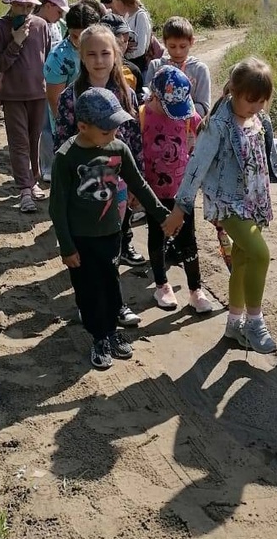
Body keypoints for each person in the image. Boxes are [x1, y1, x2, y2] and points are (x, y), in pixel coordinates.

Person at [164, 58, 277, 354]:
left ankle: (233, 324)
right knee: (260, 254)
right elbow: (196, 168)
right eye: (250, 101)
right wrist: (180, 209)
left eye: (261, 102)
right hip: (228, 204)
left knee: (243, 260)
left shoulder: (259, 120)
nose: (255, 107)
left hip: (253, 200)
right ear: (232, 90)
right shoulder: (217, 126)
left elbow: (266, 148)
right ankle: (255, 323)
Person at [49, 87, 171, 371]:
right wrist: (66, 247)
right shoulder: (67, 157)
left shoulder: (118, 148)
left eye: (116, 128)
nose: (113, 135)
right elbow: (57, 207)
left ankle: (112, 330)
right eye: (106, 131)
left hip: (111, 233)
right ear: (82, 127)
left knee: (111, 282)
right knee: (88, 289)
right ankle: (99, 337)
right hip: (80, 239)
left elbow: (139, 184)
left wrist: (162, 215)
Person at [54, 24, 147, 322]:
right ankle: (88, 301)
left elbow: (134, 141)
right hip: (83, 191)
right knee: (85, 250)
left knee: (111, 246)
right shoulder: (71, 97)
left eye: (105, 53)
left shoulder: (126, 94)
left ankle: (115, 303)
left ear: (116, 54)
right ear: (81, 57)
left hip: (117, 186)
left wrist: (136, 183)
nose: (98, 60)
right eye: (91, 53)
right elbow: (62, 144)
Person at [141, 67, 212, 314]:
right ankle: (161, 285)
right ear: (155, 96)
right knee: (157, 237)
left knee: (188, 240)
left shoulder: (185, 113)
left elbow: (204, 133)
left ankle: (195, 289)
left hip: (183, 192)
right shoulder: (142, 116)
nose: (177, 116)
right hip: (153, 193)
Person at [0, 0, 52, 214]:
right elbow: (0, 64)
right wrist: (15, 41)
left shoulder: (40, 25)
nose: (25, 11)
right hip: (13, 94)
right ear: (11, 3)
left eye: (29, 6)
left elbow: (44, 57)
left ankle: (33, 180)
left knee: (35, 138)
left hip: (39, 92)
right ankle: (24, 190)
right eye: (20, 5)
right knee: (19, 142)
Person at [41, 0, 102, 180]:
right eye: (75, 36)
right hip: (70, 120)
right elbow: (54, 100)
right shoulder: (59, 57)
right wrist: (67, 130)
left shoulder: (102, 47)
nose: (80, 41)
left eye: (85, 35)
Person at [146, 16, 211, 117]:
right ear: (164, 42)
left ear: (192, 42)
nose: (178, 51)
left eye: (183, 46)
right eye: (172, 46)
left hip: (188, 128)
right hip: (159, 126)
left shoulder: (200, 70)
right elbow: (147, 98)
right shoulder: (156, 66)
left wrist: (179, 114)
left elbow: (204, 107)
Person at [108, 0, 153, 73]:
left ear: (122, 1)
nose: (113, 6)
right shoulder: (127, 15)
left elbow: (140, 49)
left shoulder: (140, 16)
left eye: (114, 1)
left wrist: (125, 51)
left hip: (136, 65)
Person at [100, 11, 144, 95]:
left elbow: (139, 101)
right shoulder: (94, 68)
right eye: (119, 41)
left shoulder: (133, 70)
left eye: (126, 40)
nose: (124, 44)